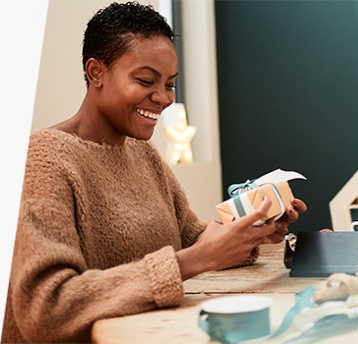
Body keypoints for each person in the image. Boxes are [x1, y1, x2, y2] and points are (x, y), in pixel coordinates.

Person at [2, 2, 306, 343]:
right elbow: (46, 308)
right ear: (96, 72)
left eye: (171, 84)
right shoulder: (42, 161)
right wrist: (194, 260)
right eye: (146, 80)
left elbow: (191, 239)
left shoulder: (142, 153)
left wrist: (250, 232)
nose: (163, 98)